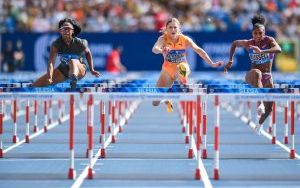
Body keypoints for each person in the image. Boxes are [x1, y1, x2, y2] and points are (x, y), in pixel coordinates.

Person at [224, 14, 281, 134]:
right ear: (252, 34)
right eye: (255, 33)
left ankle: (259, 124)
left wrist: (262, 51)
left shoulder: (269, 41)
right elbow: (234, 43)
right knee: (257, 73)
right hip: (252, 76)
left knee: (269, 108)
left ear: (264, 33)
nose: (258, 36)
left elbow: (278, 49)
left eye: (260, 33)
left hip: (268, 76)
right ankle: (259, 103)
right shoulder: (248, 43)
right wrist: (230, 60)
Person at [152, 17, 223, 112]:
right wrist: (162, 50)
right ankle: (167, 99)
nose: (173, 29)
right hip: (167, 71)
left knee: (180, 68)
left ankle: (183, 82)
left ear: (179, 29)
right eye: (170, 27)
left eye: (175, 27)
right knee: (155, 102)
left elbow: (199, 50)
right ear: (166, 29)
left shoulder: (185, 39)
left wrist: (212, 63)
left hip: (182, 67)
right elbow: (154, 49)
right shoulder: (163, 39)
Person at [32, 18, 100, 89]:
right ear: (60, 31)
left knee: (73, 61)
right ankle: (72, 78)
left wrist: (92, 69)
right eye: (64, 29)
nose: (66, 30)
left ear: (73, 31)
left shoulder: (80, 42)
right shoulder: (56, 44)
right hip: (64, 70)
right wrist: (49, 76)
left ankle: (73, 79)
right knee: (35, 85)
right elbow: (51, 62)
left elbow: (88, 53)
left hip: (80, 69)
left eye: (68, 29)